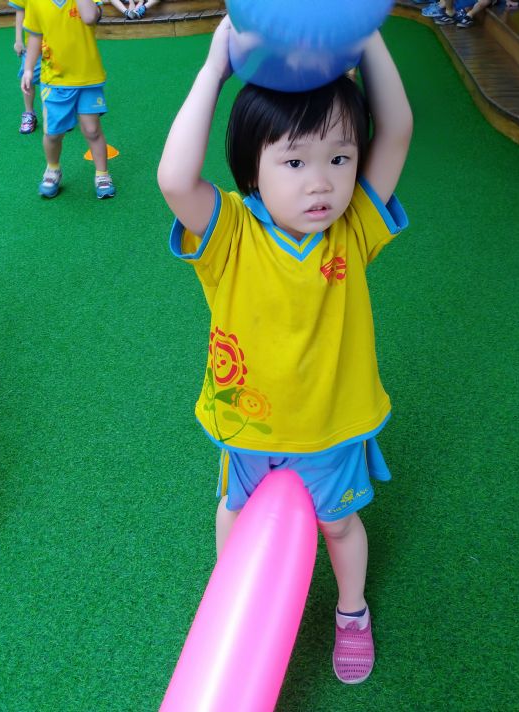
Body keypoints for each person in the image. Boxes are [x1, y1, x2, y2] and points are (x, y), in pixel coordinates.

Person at [158, 17, 412, 684]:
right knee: (235, 515)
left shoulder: (353, 227)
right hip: (248, 428)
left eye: (340, 158)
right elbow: (175, 180)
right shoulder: (230, 233)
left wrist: (364, 32)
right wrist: (213, 69)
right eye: (295, 162)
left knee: (340, 527)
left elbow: (397, 130)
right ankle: (234, 603)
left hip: (329, 429)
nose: (321, 182)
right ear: (252, 169)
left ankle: (352, 611)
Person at [22, 0, 116, 199]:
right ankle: (53, 169)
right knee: (53, 134)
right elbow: (35, 36)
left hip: (88, 78)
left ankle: (102, 174)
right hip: (55, 81)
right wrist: (28, 69)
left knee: (92, 130)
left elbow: (90, 17)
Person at [9, 0, 40, 134]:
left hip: (58, 43)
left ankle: (61, 113)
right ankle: (29, 113)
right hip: (32, 43)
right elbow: (20, 10)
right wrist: (18, 40)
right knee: (28, 78)